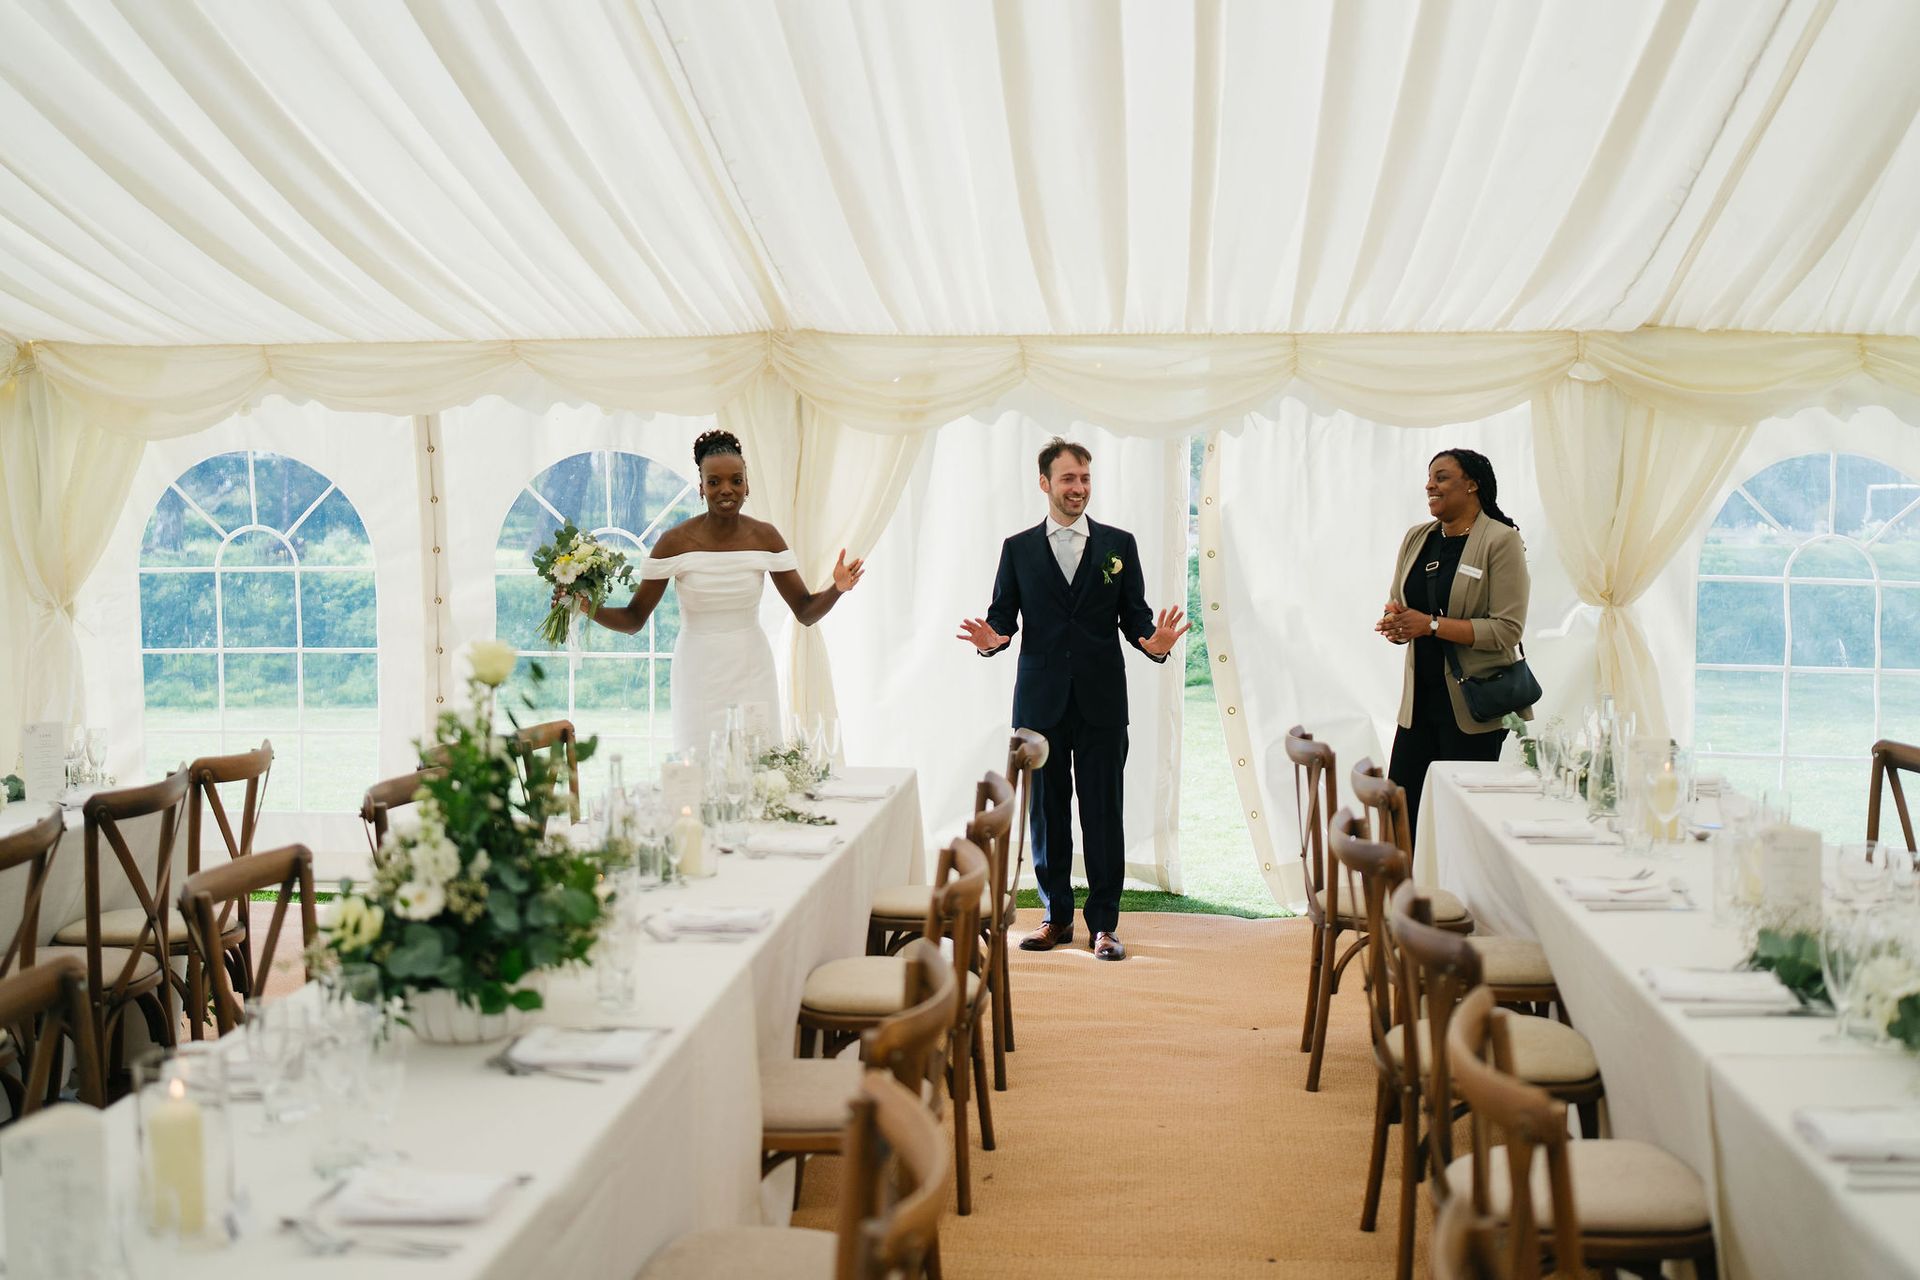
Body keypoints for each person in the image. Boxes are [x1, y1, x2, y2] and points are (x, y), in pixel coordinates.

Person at [957, 439, 1189, 962]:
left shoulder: (1118, 545)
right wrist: (992, 639)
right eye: (1067, 479)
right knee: (1047, 813)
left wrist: (1154, 644)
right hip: (1040, 705)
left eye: (1084, 478)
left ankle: (1104, 924)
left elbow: (1136, 618)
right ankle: (1055, 916)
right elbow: (1002, 618)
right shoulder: (1017, 549)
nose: (1078, 488)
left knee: (1104, 812)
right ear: (1045, 484)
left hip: (1103, 701)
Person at [563, 429, 864, 753]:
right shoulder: (674, 542)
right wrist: (585, 606)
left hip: (751, 667)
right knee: (700, 763)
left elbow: (805, 612)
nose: (726, 490)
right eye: (714, 481)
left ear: (747, 486)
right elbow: (634, 618)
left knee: (758, 765)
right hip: (697, 669)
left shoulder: (765, 537)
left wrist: (838, 588)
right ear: (701, 487)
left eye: (736, 480)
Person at [1376, 448, 1531, 842]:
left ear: (1472, 484)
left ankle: (1452, 903)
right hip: (1419, 705)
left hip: (1473, 709)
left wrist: (1429, 625)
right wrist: (1398, 624)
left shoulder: (1501, 541)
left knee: (1457, 829)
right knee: (1401, 819)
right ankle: (1404, 902)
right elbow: (1402, 603)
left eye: (1442, 477)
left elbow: (1506, 631)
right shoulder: (1417, 538)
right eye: (1429, 478)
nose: (1430, 485)